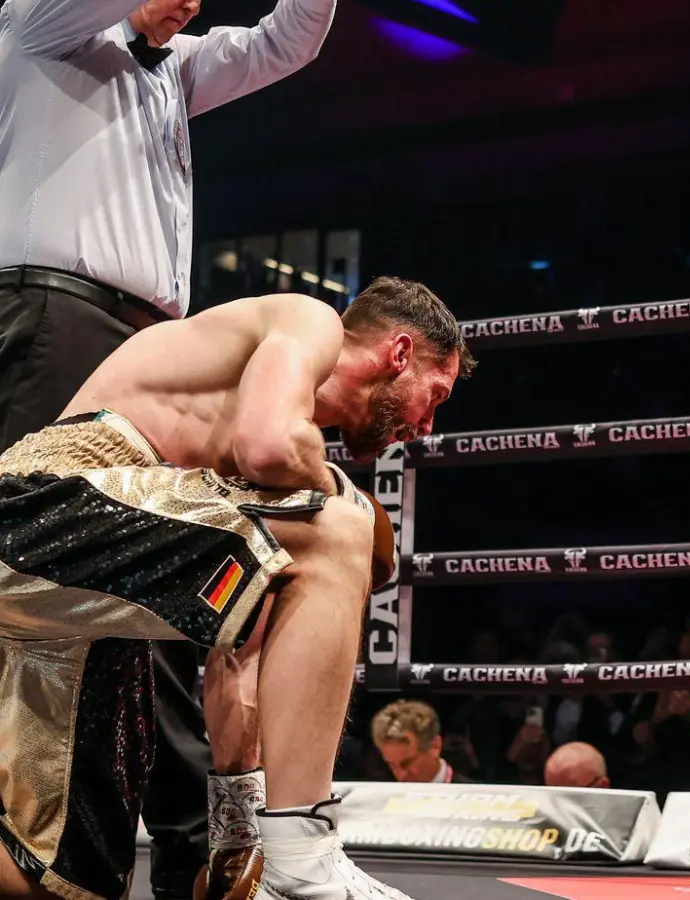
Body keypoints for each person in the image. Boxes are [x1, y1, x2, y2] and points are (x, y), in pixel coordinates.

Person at [0, 0, 338, 894]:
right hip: (55, 317)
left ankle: (195, 853)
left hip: (151, 348)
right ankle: (71, 848)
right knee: (65, 580)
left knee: (180, 586)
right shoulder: (37, 26)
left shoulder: (178, 68)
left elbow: (290, 39)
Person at [0, 277, 471, 900]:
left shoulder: (231, 490)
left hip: (82, 589)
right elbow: (269, 446)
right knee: (337, 532)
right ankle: (305, 852)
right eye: (433, 397)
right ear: (399, 351)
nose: (428, 425)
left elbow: (237, 657)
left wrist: (235, 836)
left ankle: (267, 842)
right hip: (39, 511)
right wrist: (342, 497)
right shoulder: (310, 321)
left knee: (64, 884)